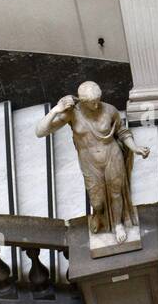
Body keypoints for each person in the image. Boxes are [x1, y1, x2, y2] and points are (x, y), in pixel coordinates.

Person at [36, 82, 149, 243]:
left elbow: (122, 132)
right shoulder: (71, 114)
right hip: (89, 161)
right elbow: (40, 132)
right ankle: (98, 213)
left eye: (98, 100)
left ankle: (117, 224)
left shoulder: (110, 110)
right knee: (97, 201)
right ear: (82, 101)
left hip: (112, 156)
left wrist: (135, 148)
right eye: (92, 102)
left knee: (116, 193)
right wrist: (56, 110)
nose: (96, 105)